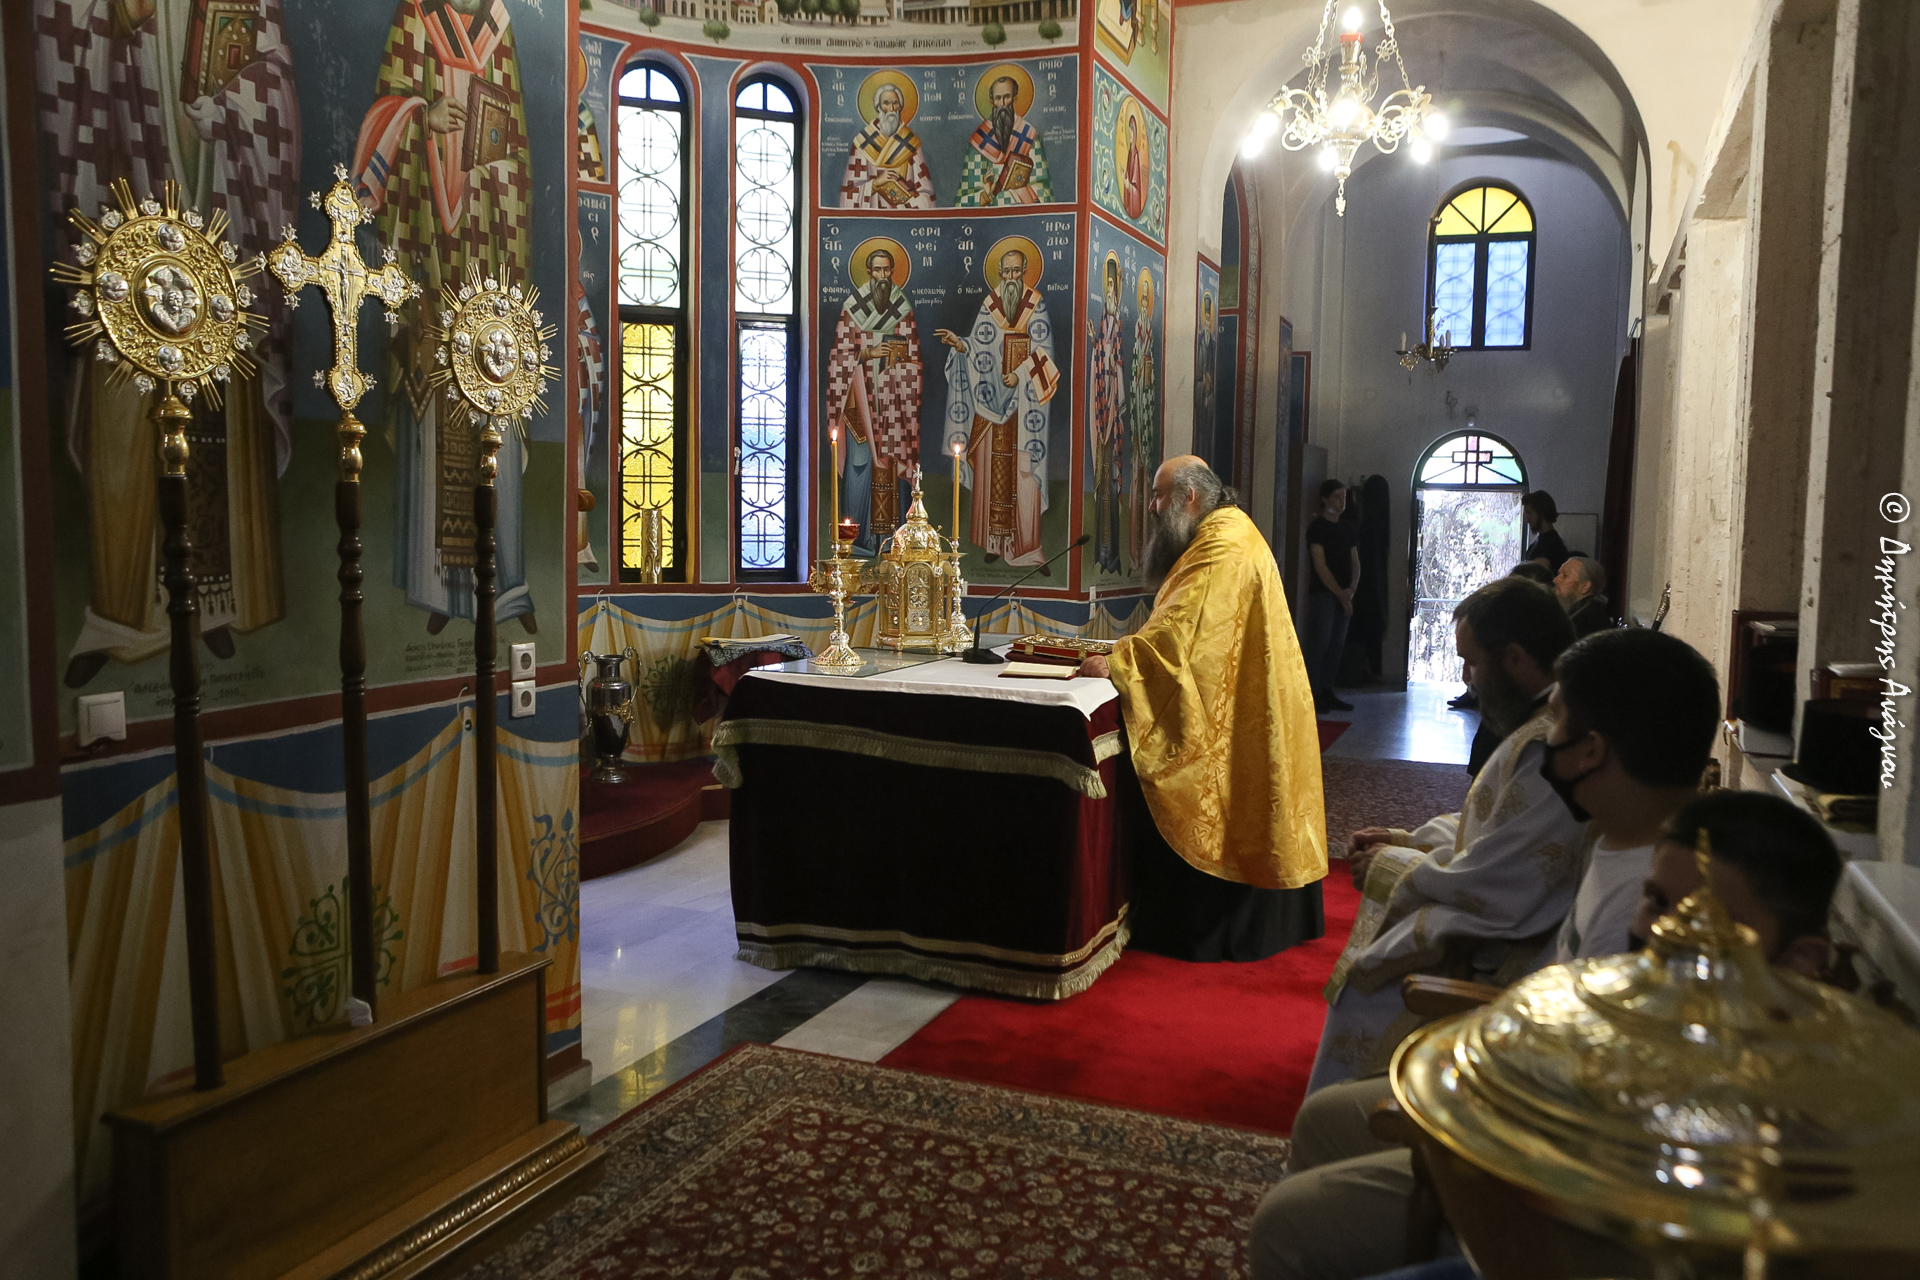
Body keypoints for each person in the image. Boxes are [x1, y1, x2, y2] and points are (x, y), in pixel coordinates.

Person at [1253, 786, 1829, 1280]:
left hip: (1567, 1232)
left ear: (1800, 961)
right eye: (1656, 901)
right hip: (1531, 1160)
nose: (1660, 932)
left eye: (1705, 921)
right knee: (1323, 1127)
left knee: (1288, 1228)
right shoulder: (1659, 998)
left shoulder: (1801, 1098)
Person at [38, 0, 299, 686]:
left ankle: (214, 605)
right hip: (127, 193)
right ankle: (119, 617)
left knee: (217, 417)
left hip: (217, 203)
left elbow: (273, 70)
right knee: (125, 419)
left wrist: (231, 106)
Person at [1306, 579, 1579, 1094]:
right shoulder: (1538, 727)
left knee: (1371, 979)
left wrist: (1391, 865)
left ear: (1516, 659)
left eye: (1472, 662)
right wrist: (1404, 838)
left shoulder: (1549, 749)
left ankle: (1371, 1112)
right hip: (1510, 924)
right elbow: (1490, 825)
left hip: (1506, 956)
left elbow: (1501, 879)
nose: (1466, 677)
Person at [1078, 458, 1326, 961]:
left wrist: (1121, 662)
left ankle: (1198, 924)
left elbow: (1183, 638)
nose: (1152, 506)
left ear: (1188, 498)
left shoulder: (1221, 546)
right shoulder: (1227, 532)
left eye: (1159, 495)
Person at [354, 0, 538, 634]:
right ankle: (442, 590)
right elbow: (383, 115)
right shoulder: (418, 17)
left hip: (488, 267)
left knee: (497, 422)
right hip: (429, 260)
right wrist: (422, 117)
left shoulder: (498, 30)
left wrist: (495, 168)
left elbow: (515, 151)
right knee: (434, 419)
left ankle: (505, 587)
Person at [938, 249, 1059, 569]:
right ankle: (995, 542)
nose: (1011, 278)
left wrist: (1019, 374)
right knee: (992, 470)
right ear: (999, 273)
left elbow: (1044, 353)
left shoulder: (1036, 305)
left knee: (1024, 474)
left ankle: (1026, 546)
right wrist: (960, 345)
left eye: (1016, 272)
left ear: (1025, 271)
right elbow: (979, 346)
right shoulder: (990, 305)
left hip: (1024, 406)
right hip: (991, 403)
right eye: (1006, 272)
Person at [826, 248, 923, 551]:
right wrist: (867, 353)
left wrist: (900, 369)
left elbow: (914, 359)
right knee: (859, 467)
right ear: (868, 272)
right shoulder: (852, 307)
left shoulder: (902, 308)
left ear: (893, 272)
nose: (882, 276)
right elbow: (838, 358)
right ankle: (856, 542)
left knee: (892, 468)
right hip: (860, 405)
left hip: (893, 405)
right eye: (877, 270)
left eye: (887, 270)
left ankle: (894, 543)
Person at [1303, 480, 1360, 713]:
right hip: (1324, 595)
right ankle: (1313, 693)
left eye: (1344, 497)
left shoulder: (1347, 528)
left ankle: (1328, 690)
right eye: (1337, 496)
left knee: (1337, 645)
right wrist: (1341, 594)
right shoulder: (1317, 528)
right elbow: (1320, 566)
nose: (1341, 501)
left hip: (1345, 594)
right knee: (1321, 644)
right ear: (1325, 499)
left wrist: (1351, 589)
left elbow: (1355, 563)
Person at [953, 74, 1052, 206]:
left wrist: (998, 197)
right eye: (998, 98)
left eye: (1007, 97)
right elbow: (963, 201)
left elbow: (1045, 192)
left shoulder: (1029, 136)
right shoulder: (979, 140)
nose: (1003, 104)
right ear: (991, 101)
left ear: (1015, 98)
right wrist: (986, 195)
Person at [837, 80, 936, 210]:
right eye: (886, 103)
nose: (891, 109)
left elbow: (927, 195)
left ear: (900, 107)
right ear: (878, 107)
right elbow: (847, 197)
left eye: (895, 103)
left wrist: (905, 201)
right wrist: (875, 184)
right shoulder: (863, 142)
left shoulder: (910, 143)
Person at [1088, 257, 1126, 573]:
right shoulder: (1102, 323)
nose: (1111, 291)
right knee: (1101, 481)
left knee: (1111, 480)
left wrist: (1109, 359)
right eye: (1107, 285)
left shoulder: (1121, 327)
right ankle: (1101, 553)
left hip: (1113, 409)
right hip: (1102, 408)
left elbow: (1117, 361)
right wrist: (1097, 345)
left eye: (1114, 286)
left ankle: (1111, 554)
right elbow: (1102, 357)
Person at [1127, 270, 1159, 567]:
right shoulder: (1137, 343)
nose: (1146, 304)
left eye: (1148, 300)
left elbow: (1150, 382)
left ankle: (1144, 550)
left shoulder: (1150, 343)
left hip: (1146, 418)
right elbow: (1133, 377)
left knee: (1145, 479)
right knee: (1137, 480)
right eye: (1143, 300)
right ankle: (1135, 549)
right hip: (1137, 419)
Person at [1554, 554, 1612, 637]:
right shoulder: (1576, 613)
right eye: (1558, 574)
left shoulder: (1591, 621)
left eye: (1565, 575)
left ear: (1585, 587)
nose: (1555, 579)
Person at [1522, 490, 1569, 571]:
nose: (1527, 519)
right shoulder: (1541, 542)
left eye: (1529, 513)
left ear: (1541, 513)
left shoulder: (1551, 545)